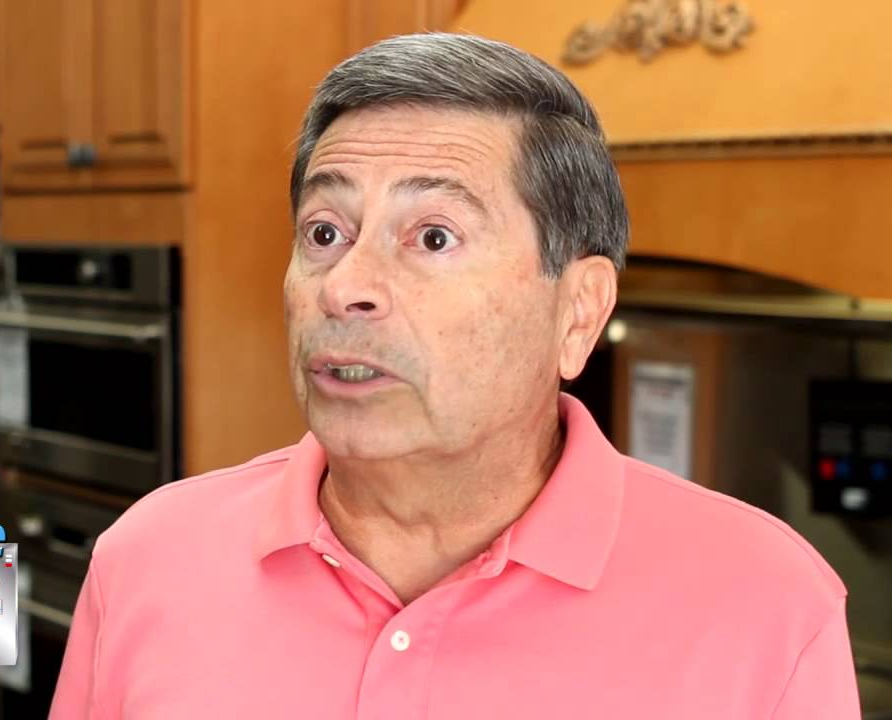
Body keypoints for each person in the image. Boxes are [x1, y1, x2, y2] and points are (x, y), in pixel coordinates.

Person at [48, 33, 860, 719]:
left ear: (578, 311)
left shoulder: (769, 608)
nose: (344, 286)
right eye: (325, 232)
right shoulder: (148, 558)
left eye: (433, 237)